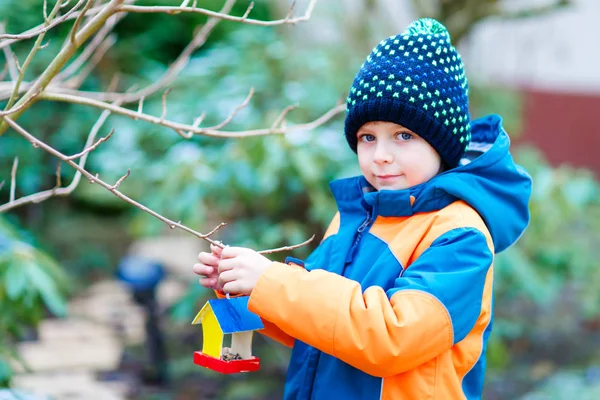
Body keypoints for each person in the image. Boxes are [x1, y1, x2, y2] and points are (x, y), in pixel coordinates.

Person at [193, 18, 531, 400]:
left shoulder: (460, 237)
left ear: (444, 146)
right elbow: (319, 322)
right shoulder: (357, 215)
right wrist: (247, 287)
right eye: (367, 137)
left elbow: (392, 337)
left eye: (404, 136)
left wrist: (273, 282)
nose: (381, 156)